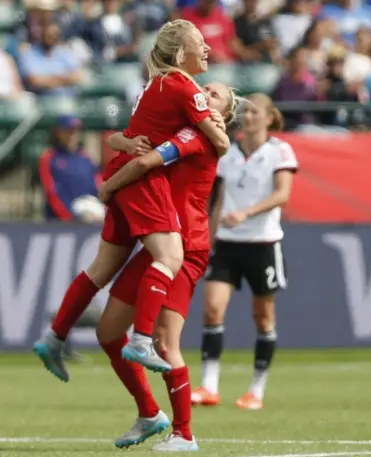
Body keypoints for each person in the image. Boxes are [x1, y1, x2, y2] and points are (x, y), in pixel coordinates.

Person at [33, 19, 231, 381]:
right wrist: (217, 125)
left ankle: (54, 337)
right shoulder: (185, 88)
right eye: (199, 43)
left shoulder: (155, 85)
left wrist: (113, 174)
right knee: (170, 256)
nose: (206, 48)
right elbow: (220, 144)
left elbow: (120, 139)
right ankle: (141, 339)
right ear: (179, 52)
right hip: (142, 181)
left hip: (123, 177)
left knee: (102, 268)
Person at [85, 83, 235, 452]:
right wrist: (122, 141)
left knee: (165, 341)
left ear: (224, 116)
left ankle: (184, 433)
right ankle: (150, 413)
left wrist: (107, 189)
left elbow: (145, 162)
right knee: (108, 332)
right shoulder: (182, 126)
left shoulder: (196, 135)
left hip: (185, 245)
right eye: (205, 90)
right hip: (161, 241)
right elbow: (126, 139)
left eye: (214, 95)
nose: (204, 94)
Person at [190, 93, 297, 410]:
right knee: (212, 309)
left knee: (262, 318)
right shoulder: (228, 153)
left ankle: (257, 391)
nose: (248, 118)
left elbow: (282, 195)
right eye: (245, 113)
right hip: (227, 243)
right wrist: (206, 241)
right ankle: (209, 386)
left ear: (268, 117)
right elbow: (219, 201)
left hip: (263, 244)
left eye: (255, 113)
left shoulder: (280, 151)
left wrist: (246, 213)